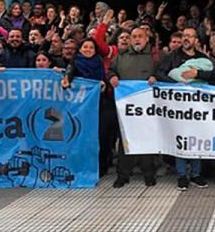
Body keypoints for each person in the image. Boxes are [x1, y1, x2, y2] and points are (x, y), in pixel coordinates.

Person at [152, 27, 210, 191]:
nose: (187, 39)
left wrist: (197, 73)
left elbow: (213, 75)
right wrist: (175, 84)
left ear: (196, 40)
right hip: (178, 106)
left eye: (190, 36)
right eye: (184, 35)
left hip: (198, 106)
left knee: (196, 139)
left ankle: (196, 174)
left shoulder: (202, 58)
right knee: (181, 138)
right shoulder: (172, 56)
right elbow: (159, 73)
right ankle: (182, 175)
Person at [110, 27, 158, 188]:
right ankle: (122, 175)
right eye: (134, 37)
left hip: (148, 107)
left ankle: (149, 174)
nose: (137, 39)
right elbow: (110, 70)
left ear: (146, 39)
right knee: (125, 141)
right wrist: (112, 77)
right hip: (127, 107)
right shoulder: (121, 56)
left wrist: (155, 77)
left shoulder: (154, 56)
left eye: (140, 37)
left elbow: (164, 73)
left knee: (147, 139)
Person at [61, 39, 116, 176]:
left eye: (91, 47)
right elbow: (69, 73)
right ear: (79, 49)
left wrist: (104, 85)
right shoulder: (75, 63)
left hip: (100, 105)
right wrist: (67, 78)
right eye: (85, 47)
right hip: (81, 109)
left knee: (101, 136)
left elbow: (106, 79)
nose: (88, 49)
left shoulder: (99, 63)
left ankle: (102, 165)